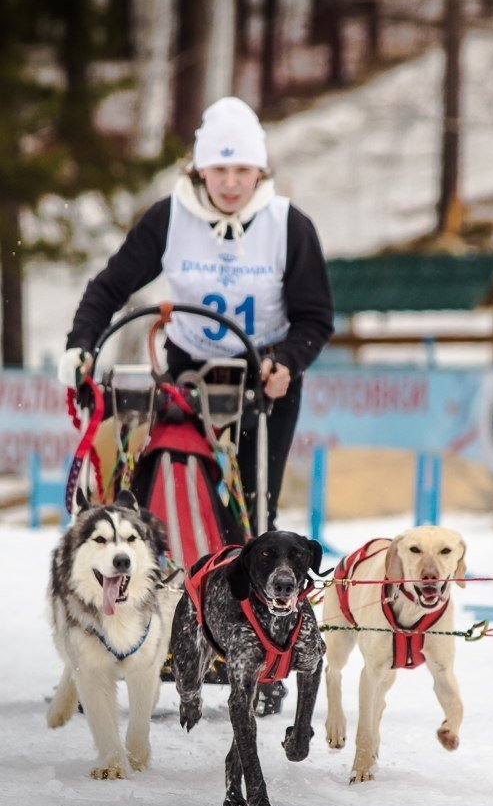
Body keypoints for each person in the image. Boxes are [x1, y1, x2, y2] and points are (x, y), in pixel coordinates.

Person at [59, 96, 334, 532]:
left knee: (254, 509)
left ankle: (247, 583)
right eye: (219, 170)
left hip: (263, 377)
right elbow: (108, 287)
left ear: (260, 171)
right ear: (199, 169)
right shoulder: (171, 217)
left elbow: (315, 317)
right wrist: (81, 345)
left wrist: (288, 363)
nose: (229, 183)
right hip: (188, 371)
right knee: (173, 492)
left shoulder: (288, 225)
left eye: (242, 170)